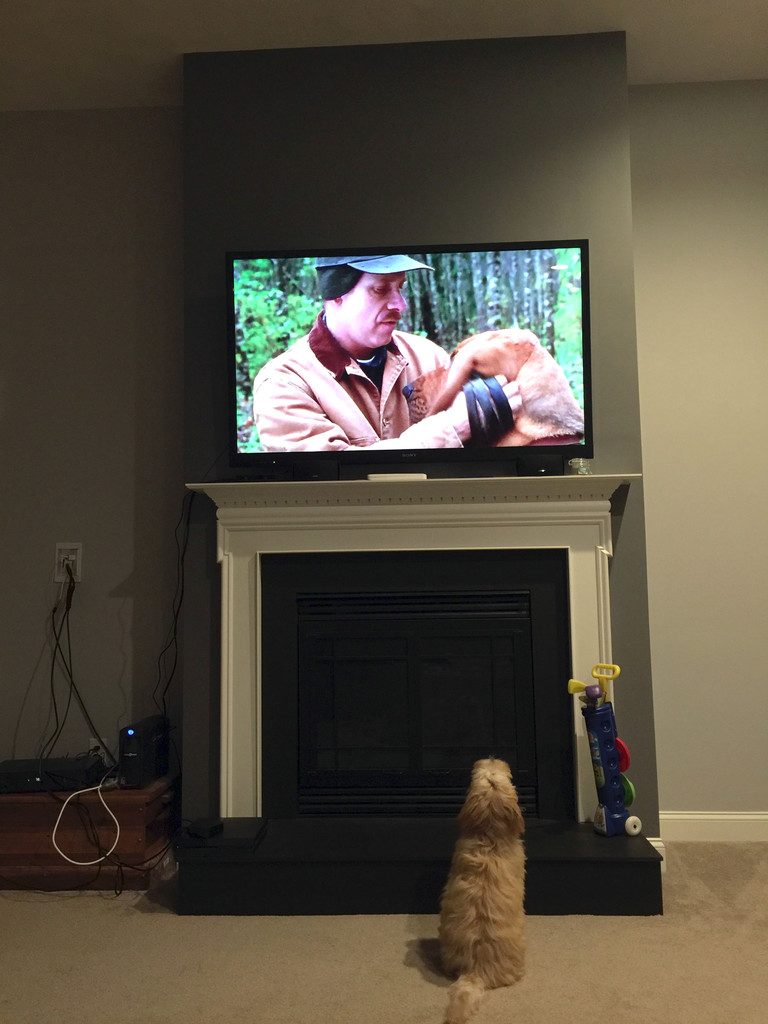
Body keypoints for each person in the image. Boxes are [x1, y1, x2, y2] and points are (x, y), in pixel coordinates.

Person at [252, 254, 520, 452]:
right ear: (336, 295)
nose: (400, 305)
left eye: (400, 288)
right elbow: (335, 482)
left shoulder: (428, 357)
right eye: (380, 289)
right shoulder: (284, 383)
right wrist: (454, 428)